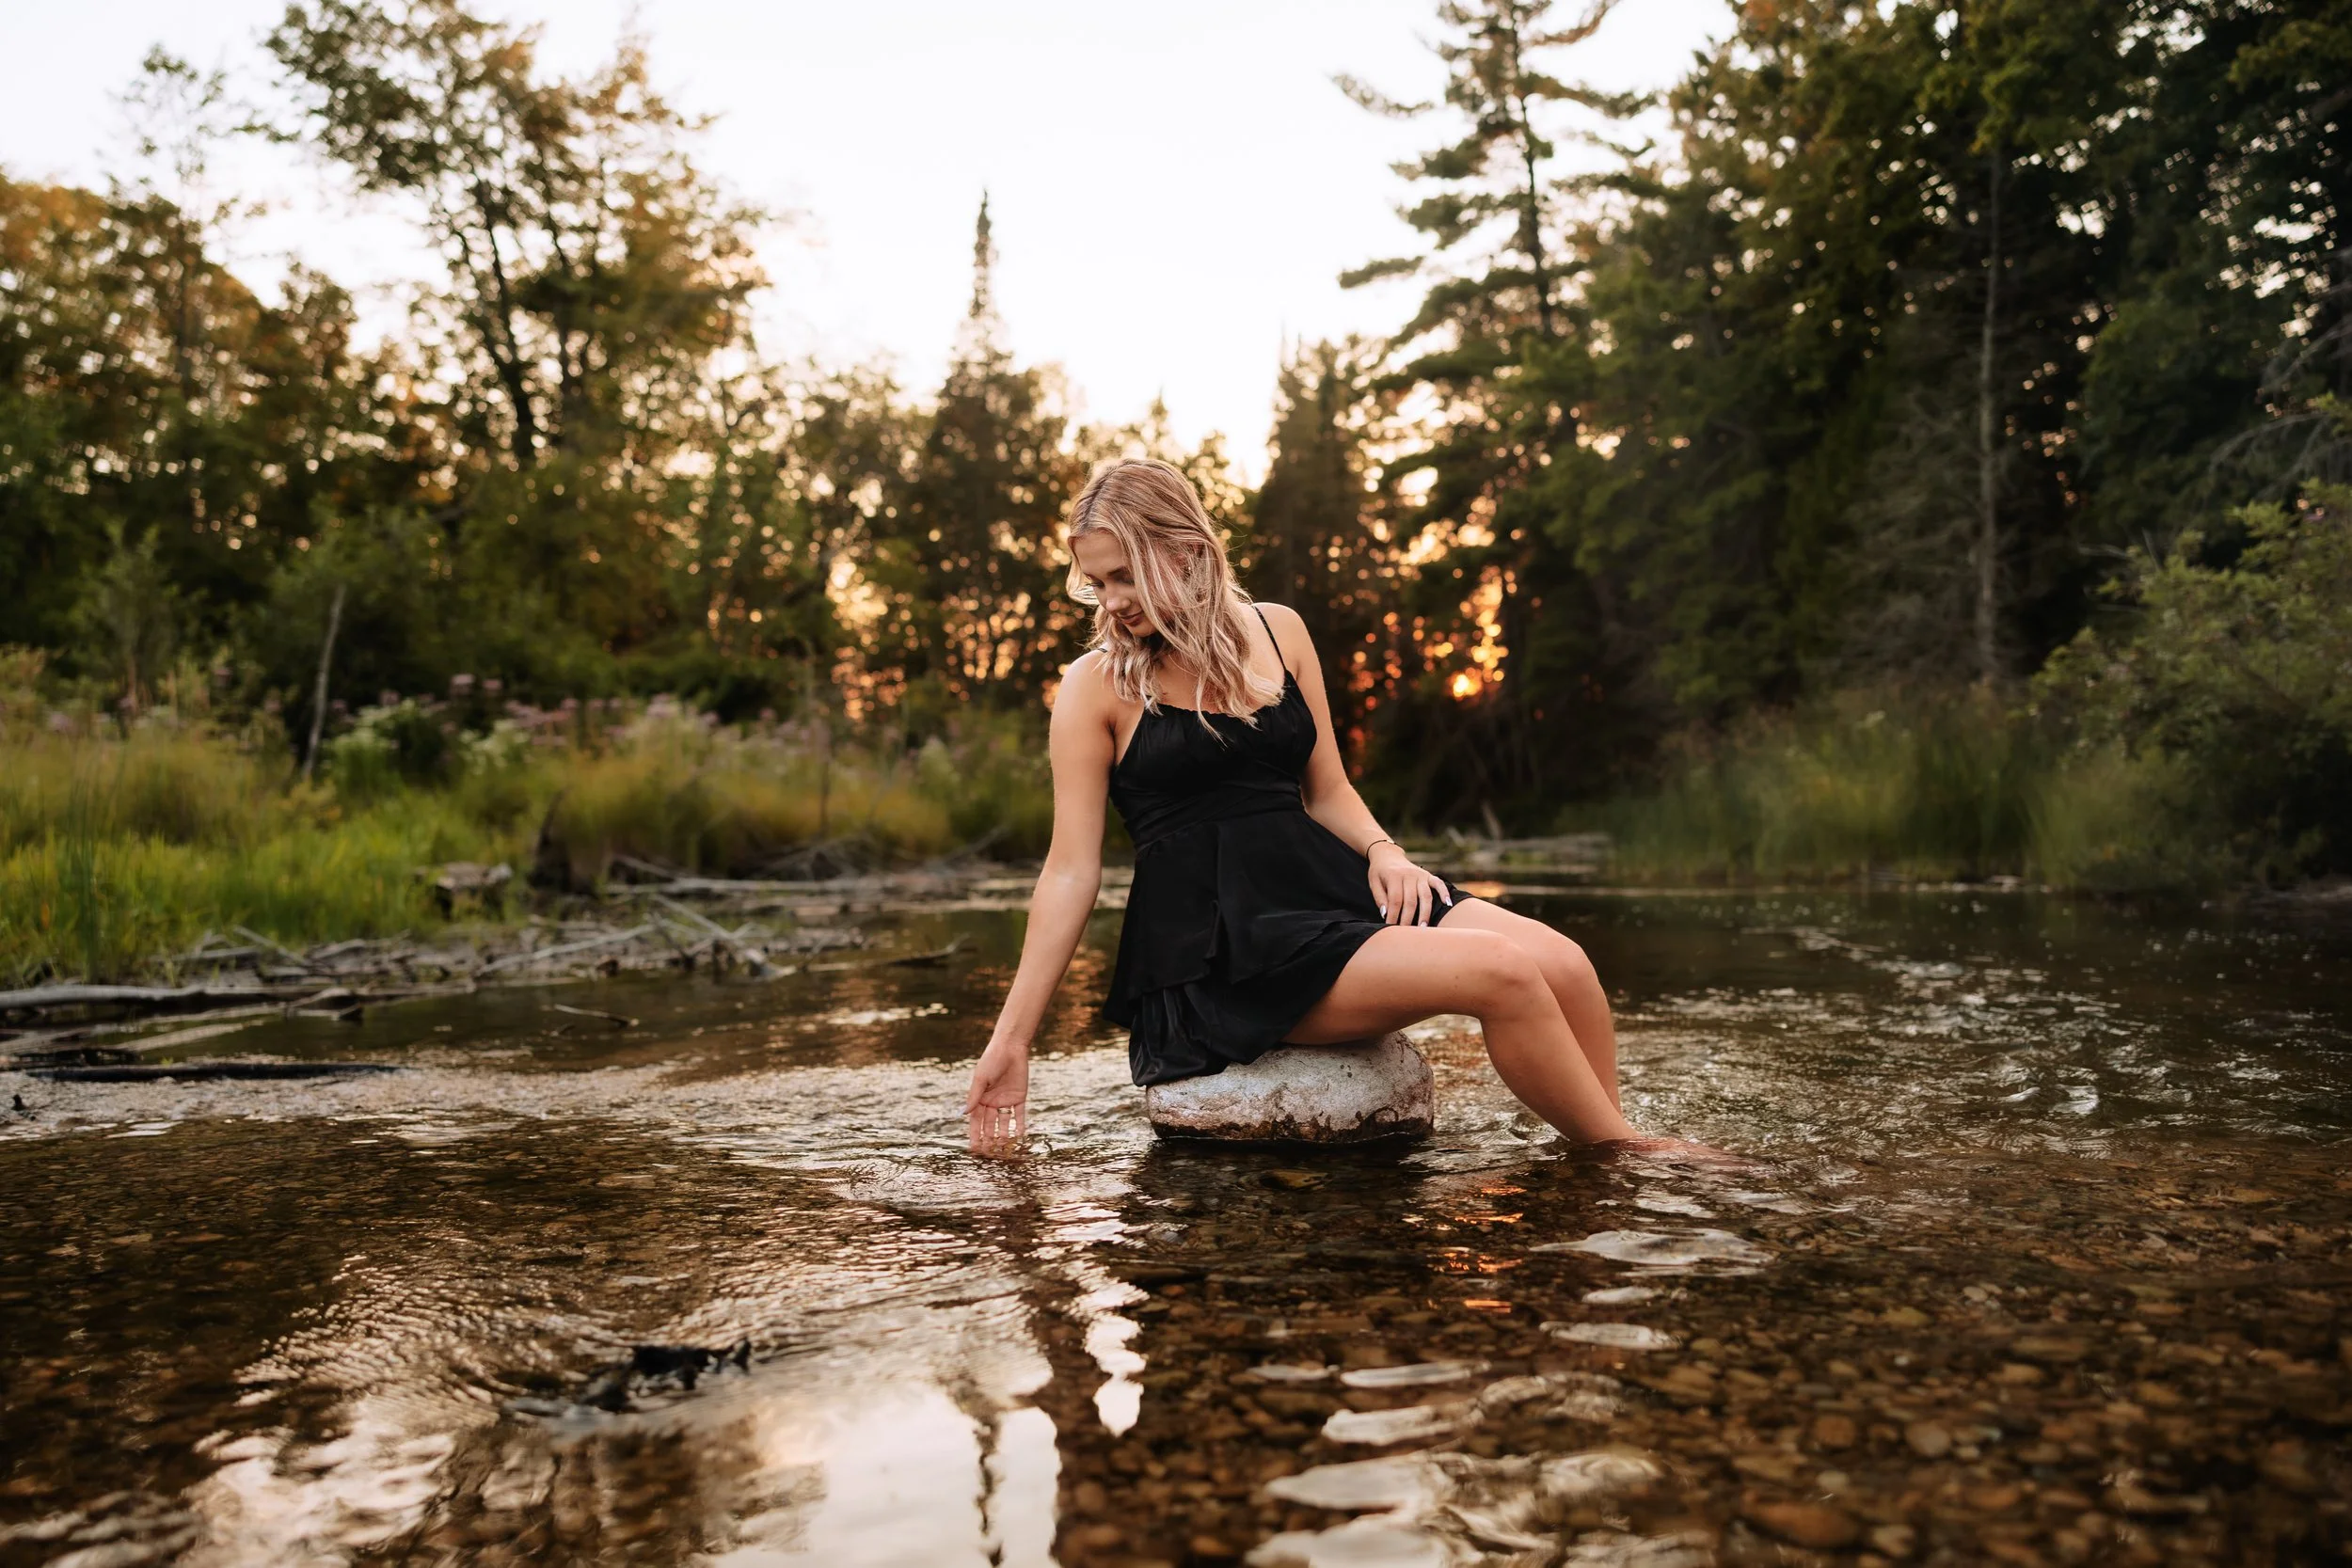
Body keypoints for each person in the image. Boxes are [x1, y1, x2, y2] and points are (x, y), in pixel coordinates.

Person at [965, 457, 1661, 1157]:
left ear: (1186, 551)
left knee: (1565, 963)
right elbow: (1068, 870)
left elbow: (1326, 789)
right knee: (1501, 971)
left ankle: (1601, 1148)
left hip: (1324, 885)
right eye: (1098, 582)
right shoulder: (1094, 686)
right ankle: (1635, 1161)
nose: (1112, 600)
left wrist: (1385, 852)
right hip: (1226, 953)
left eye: (1125, 575)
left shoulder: (1278, 632)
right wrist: (1013, 1038)